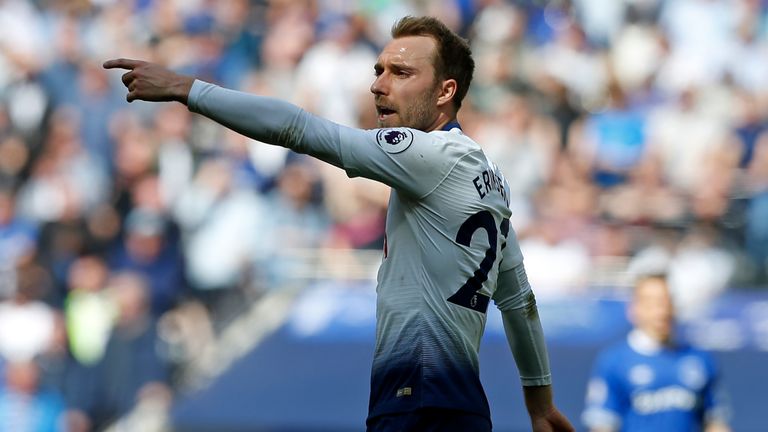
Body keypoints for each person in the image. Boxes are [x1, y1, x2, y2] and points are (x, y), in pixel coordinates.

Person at [104, 15, 573, 432]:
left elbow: (299, 130)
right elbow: (519, 301)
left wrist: (188, 89)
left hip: (416, 395)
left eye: (401, 73)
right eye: (379, 71)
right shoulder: (490, 181)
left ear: (446, 91)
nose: (378, 85)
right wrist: (540, 402)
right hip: (465, 406)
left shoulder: (427, 154)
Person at [581, 273, 731, 432]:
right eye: (652, 304)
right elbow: (603, 424)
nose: (661, 311)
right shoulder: (615, 361)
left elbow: (714, 421)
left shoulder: (698, 359)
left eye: (666, 302)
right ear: (634, 309)